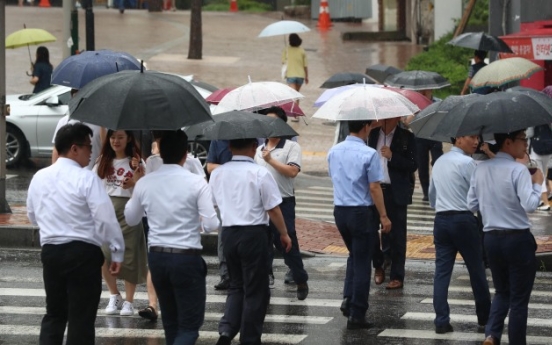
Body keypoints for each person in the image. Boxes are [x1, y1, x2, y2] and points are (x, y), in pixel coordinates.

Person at [27, 123, 124, 345]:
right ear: (74, 148)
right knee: (81, 317)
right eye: (88, 147)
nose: (92, 152)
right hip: (83, 252)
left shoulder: (40, 177)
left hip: (51, 252)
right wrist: (117, 252)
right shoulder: (87, 178)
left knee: (54, 313)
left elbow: (33, 216)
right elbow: (105, 217)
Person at [125, 130, 220, 345]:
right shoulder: (196, 183)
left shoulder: (145, 183)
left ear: (160, 153)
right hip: (186, 257)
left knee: (170, 322)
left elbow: (131, 218)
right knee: (188, 326)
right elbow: (212, 223)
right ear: (185, 154)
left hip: (157, 258)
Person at [209, 138, 292, 345]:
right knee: (256, 290)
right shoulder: (260, 172)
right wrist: (284, 233)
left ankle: (227, 330)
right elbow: (272, 208)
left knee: (236, 286)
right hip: (253, 234)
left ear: (229, 147)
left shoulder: (218, 173)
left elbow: (213, 203)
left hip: (228, 234)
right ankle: (250, 339)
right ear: (254, 147)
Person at [467, 129, 543, 345]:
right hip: (517, 239)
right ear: (507, 142)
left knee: (502, 292)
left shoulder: (480, 169)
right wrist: (537, 183)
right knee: (519, 299)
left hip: (491, 239)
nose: (526, 144)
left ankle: (491, 334)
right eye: (522, 140)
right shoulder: (517, 171)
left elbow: (471, 204)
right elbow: (530, 205)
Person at [328, 120, 391, 329]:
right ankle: (357, 312)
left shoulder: (333, 151)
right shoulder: (369, 153)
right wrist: (383, 216)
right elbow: (374, 187)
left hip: (340, 211)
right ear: (365, 127)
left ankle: (348, 298)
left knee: (354, 256)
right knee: (363, 261)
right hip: (361, 212)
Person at [429, 134, 491, 334]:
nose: (476, 142)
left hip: (441, 220)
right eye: (471, 137)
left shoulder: (439, 161)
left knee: (442, 272)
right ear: (457, 139)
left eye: (477, 138)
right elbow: (480, 195)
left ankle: (441, 321)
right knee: (476, 270)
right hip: (463, 220)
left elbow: (432, 195)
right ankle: (485, 318)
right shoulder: (468, 163)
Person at [254, 106, 309, 300]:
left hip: (283, 201)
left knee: (287, 241)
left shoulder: (291, 147)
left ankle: (300, 277)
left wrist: (270, 160)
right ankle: (264, 280)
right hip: (261, 204)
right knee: (263, 243)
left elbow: (292, 172)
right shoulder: (259, 149)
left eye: (273, 121)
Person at [95, 130, 148, 317]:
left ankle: (129, 301)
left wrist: (135, 179)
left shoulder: (137, 162)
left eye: (120, 137)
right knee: (104, 254)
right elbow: (94, 186)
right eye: (112, 137)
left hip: (129, 211)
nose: (115, 141)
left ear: (128, 139)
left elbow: (146, 186)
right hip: (107, 211)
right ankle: (114, 295)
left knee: (130, 255)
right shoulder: (102, 160)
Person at [368, 117, 417, 290]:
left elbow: (413, 164)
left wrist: (392, 156)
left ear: (397, 117)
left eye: (390, 116)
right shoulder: (372, 134)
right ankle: (379, 265)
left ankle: (397, 275)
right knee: (372, 230)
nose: (386, 120)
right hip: (374, 190)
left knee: (397, 235)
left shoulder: (406, 137)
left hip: (395, 191)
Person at [206, 139, 233, 290]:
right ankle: (225, 274)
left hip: (243, 195)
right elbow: (210, 167)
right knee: (223, 236)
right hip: (223, 195)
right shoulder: (217, 141)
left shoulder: (251, 139)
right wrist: (231, 168)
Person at [415, 89, 443, 201]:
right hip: (420, 136)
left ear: (430, 90)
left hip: (435, 136)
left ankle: (436, 190)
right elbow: (409, 121)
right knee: (422, 165)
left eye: (425, 91)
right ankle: (426, 192)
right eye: (421, 91)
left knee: (437, 162)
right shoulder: (415, 104)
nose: (423, 93)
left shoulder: (438, 102)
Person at [282, 33, 308, 122]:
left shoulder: (287, 50)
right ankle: (296, 115)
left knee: (293, 95)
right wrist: (307, 76)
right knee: (296, 94)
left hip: (291, 75)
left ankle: (294, 114)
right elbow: (305, 65)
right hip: (301, 76)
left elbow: (283, 62)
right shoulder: (302, 51)